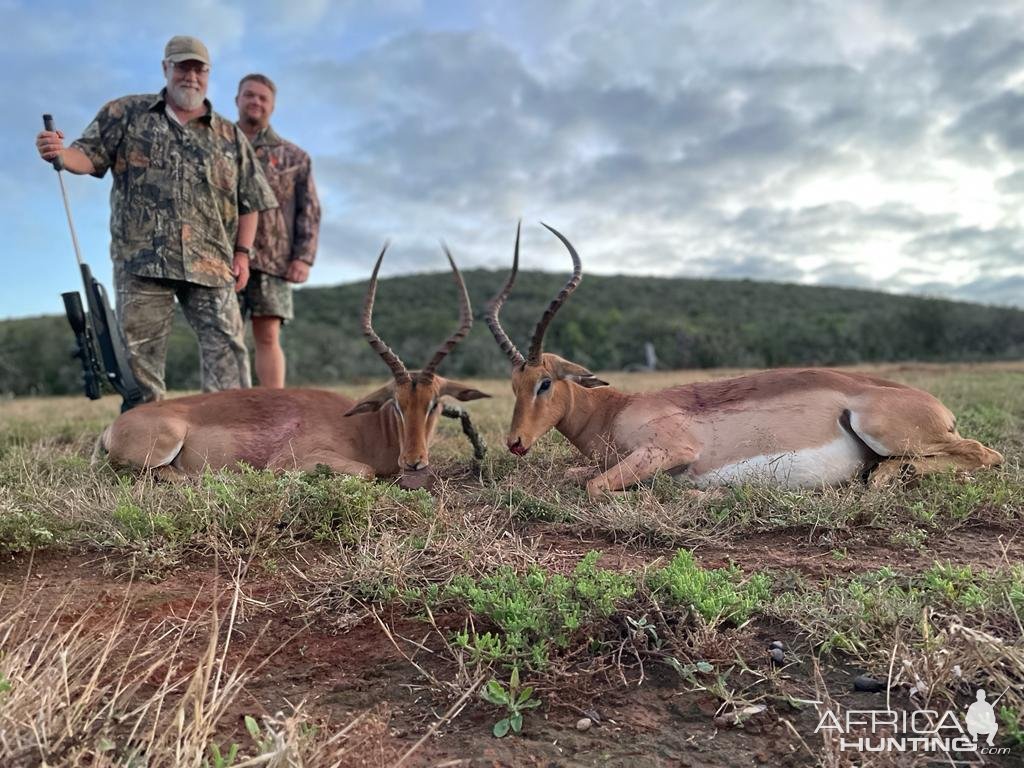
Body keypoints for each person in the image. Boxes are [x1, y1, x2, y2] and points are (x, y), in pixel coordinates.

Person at [35, 36, 277, 402]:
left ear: (209, 75)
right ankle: (146, 452)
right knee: (141, 367)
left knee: (228, 354)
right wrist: (60, 153)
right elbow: (87, 156)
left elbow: (251, 201)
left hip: (211, 265)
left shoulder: (231, 135)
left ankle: (229, 445)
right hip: (142, 264)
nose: (190, 76)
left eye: (199, 69)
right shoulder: (125, 113)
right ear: (166, 68)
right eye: (182, 67)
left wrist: (242, 253)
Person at [235, 74, 320, 387]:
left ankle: (274, 411)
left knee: (268, 335)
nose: (255, 102)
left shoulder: (294, 157)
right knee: (224, 336)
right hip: (222, 255)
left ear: (272, 106)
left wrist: (304, 258)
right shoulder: (217, 145)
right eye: (249, 95)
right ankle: (229, 411)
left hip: (274, 259)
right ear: (237, 100)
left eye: (263, 98)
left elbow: (309, 210)